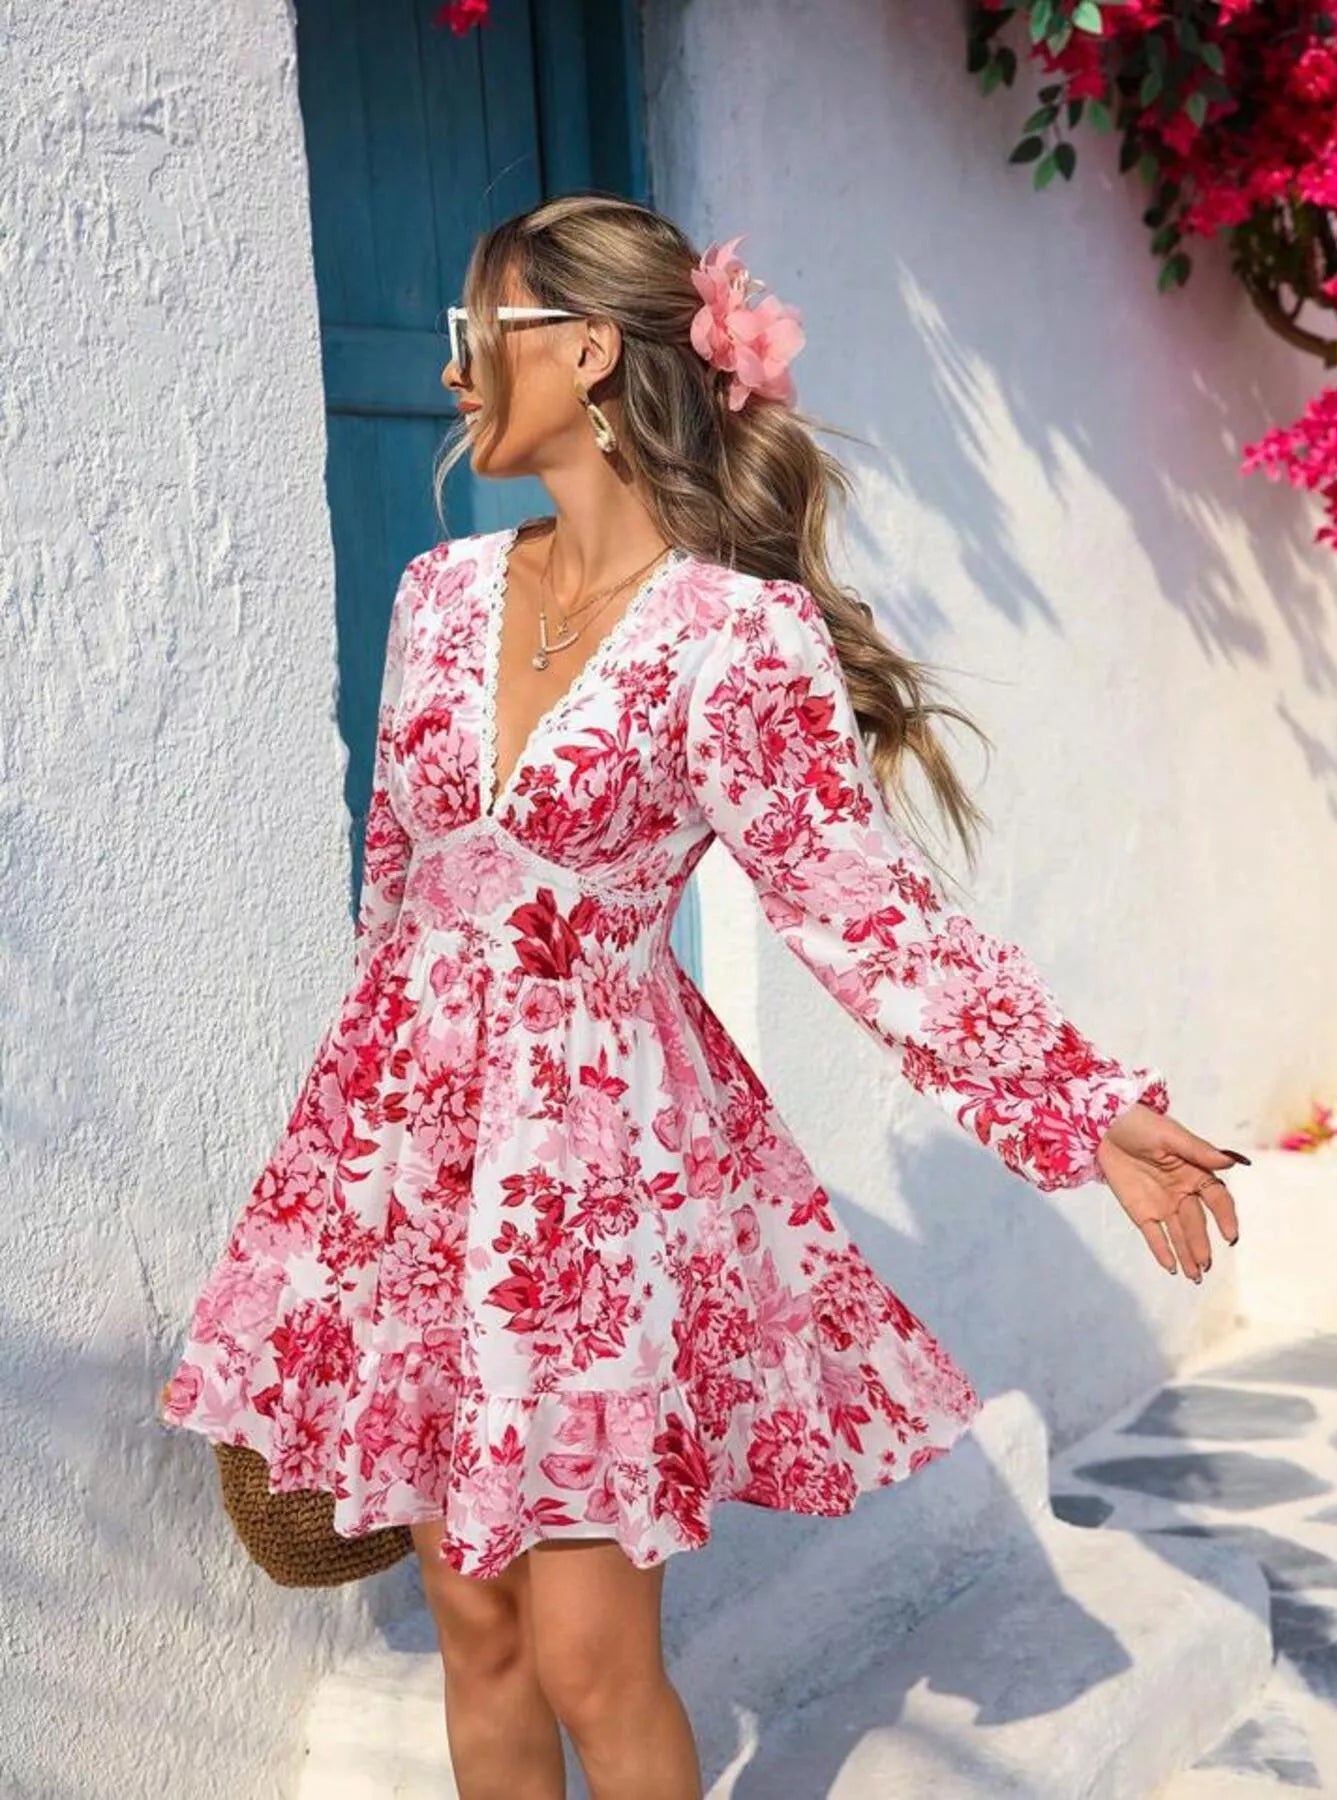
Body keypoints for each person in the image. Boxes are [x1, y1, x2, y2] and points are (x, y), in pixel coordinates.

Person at [159, 194, 1243, 1800]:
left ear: (587, 350)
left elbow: (860, 914)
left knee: (596, 1659)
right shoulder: (436, 596)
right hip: (414, 1168)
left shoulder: (736, 639)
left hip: (592, 1190)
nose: (454, 372)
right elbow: (395, 888)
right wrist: (349, 1192)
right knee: (480, 1634)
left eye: (480, 335)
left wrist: (1085, 1110)